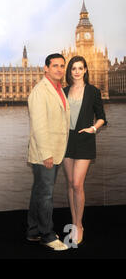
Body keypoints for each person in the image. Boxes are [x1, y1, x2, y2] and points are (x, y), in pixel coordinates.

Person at [26, 53, 70, 251]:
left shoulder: (58, 89)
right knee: (46, 195)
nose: (59, 69)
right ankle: (47, 234)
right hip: (46, 152)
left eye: (62, 65)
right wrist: (46, 154)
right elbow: (39, 126)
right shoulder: (40, 91)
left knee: (39, 191)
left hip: (55, 148)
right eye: (55, 66)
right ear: (46, 68)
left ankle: (33, 230)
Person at [62, 56, 107, 246]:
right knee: (71, 183)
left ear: (86, 70)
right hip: (66, 141)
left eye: (80, 68)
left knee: (78, 183)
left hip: (85, 139)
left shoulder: (93, 91)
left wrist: (94, 128)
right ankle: (73, 221)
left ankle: (79, 225)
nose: (77, 71)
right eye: (74, 68)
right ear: (70, 71)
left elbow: (102, 117)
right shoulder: (63, 91)